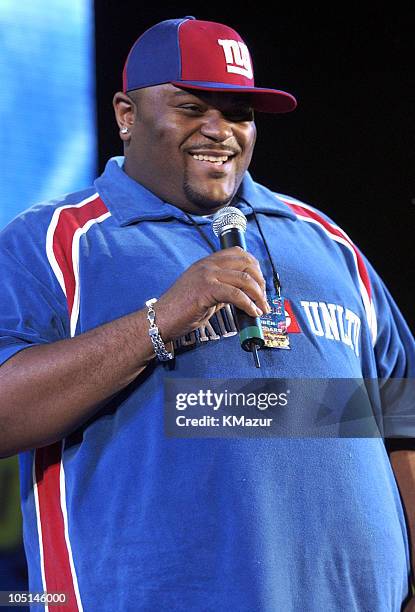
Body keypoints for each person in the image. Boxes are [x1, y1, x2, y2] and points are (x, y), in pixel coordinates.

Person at [0, 15, 414, 612]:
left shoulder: (325, 240)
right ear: (126, 115)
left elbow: (402, 416)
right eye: (193, 107)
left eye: (239, 113)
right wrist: (162, 319)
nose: (220, 131)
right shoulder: (57, 242)